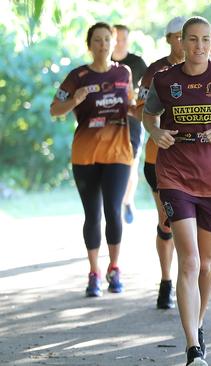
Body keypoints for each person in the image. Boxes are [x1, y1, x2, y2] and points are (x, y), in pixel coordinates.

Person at [142, 16, 211, 366]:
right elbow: (149, 115)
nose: (199, 46)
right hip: (175, 177)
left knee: (207, 263)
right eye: (192, 39)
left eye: (206, 40)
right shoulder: (164, 80)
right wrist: (155, 132)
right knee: (189, 260)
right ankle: (193, 346)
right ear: (181, 41)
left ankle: (198, 321)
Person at [50, 22, 134, 297]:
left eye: (107, 39)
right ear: (89, 45)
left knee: (113, 209)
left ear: (114, 42)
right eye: (97, 40)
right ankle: (94, 272)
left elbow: (131, 105)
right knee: (93, 215)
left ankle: (115, 267)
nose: (103, 44)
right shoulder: (78, 76)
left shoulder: (124, 72)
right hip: (86, 155)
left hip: (119, 153)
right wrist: (75, 99)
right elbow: (55, 109)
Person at [136, 16, 186, 309]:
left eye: (188, 35)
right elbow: (141, 111)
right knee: (167, 221)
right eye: (178, 36)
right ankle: (167, 281)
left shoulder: (205, 67)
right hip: (159, 158)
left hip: (195, 160)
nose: (184, 41)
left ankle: (186, 279)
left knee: (189, 224)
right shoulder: (155, 71)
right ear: (168, 39)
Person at [111, 24, 147, 224]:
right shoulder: (103, 62)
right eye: (115, 38)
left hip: (132, 120)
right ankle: (114, 203)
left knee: (130, 163)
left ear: (128, 40)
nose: (119, 43)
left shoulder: (137, 63)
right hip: (107, 121)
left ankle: (127, 200)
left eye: (123, 39)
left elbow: (148, 91)